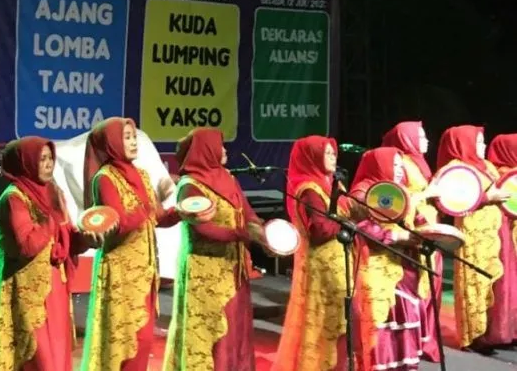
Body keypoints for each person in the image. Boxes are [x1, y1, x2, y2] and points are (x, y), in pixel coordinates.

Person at [0, 136, 93, 371]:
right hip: (27, 294)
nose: (49, 164)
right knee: (36, 358)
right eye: (41, 159)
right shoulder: (13, 199)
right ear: (25, 163)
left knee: (57, 353)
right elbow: (26, 246)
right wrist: (49, 217)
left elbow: (66, 237)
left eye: (50, 158)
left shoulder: (53, 192)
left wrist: (87, 239)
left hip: (55, 289)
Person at [80, 118, 182, 371]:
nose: (134, 142)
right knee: (122, 343)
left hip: (145, 273)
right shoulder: (104, 178)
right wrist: (145, 208)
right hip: (120, 274)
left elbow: (157, 217)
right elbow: (118, 224)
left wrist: (180, 212)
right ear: (112, 142)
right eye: (126, 137)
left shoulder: (142, 175)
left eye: (134, 136)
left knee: (143, 339)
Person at [163, 128, 260, 371]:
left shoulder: (228, 178)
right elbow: (203, 230)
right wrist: (242, 234)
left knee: (233, 330)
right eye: (220, 145)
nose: (225, 150)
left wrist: (262, 232)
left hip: (233, 270)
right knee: (208, 334)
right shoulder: (190, 185)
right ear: (206, 150)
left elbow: (247, 213)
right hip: (204, 274)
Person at [347, 148, 429, 371]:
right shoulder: (362, 193)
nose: (399, 170)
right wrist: (397, 237)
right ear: (379, 165)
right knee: (381, 321)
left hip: (405, 265)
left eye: (400, 165)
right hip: (377, 267)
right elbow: (364, 229)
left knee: (405, 315)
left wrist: (426, 232)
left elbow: (417, 219)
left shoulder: (401, 191)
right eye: (393, 165)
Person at [274, 136, 349, 371]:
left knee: (337, 319)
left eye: (333, 153)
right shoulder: (310, 190)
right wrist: (347, 225)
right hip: (321, 267)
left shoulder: (330, 185)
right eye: (327, 153)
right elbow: (320, 230)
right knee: (323, 321)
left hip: (336, 262)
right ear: (313, 157)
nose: (333, 157)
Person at [438, 125, 515, 352]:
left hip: (496, 228)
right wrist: (486, 197)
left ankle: (497, 332)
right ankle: (475, 335)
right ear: (465, 143)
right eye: (479, 141)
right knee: (476, 281)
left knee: (497, 282)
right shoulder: (455, 169)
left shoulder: (488, 166)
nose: (483, 146)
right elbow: (451, 198)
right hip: (474, 232)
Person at [380, 121, 441, 361]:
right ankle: (417, 341)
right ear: (408, 139)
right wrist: (427, 194)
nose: (426, 141)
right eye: (421, 137)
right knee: (418, 287)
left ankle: (426, 339)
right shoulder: (402, 164)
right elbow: (397, 199)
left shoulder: (418, 163)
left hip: (428, 227)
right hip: (412, 230)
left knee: (431, 285)